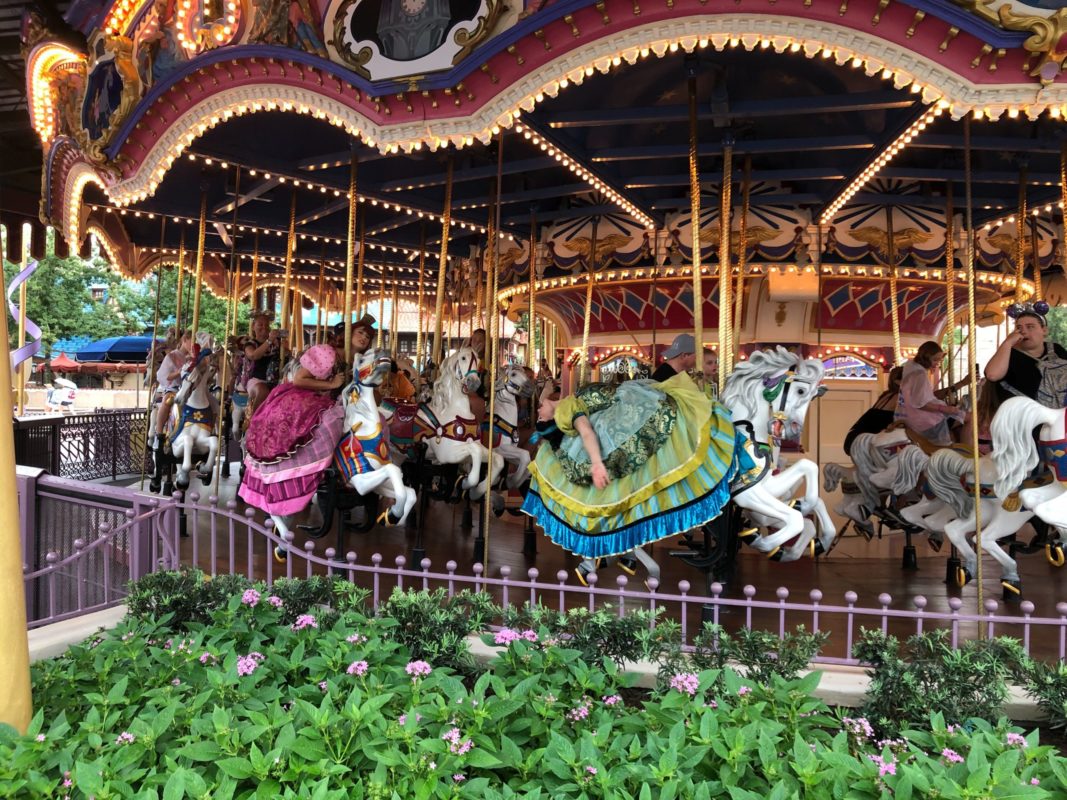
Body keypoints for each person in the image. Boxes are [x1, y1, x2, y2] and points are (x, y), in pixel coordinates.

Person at [521, 368, 751, 584]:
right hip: (619, 411)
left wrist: (597, 463)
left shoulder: (563, 408)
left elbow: (587, 432)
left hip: (627, 413)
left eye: (539, 415)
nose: (538, 415)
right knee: (615, 494)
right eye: (540, 418)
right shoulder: (563, 406)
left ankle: (609, 556)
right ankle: (623, 553)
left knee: (608, 494)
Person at [238, 344, 347, 516]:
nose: (364, 338)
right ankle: (307, 472)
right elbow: (298, 379)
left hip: (317, 398)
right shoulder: (327, 353)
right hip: (301, 397)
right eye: (361, 333)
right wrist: (331, 383)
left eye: (367, 336)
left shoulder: (348, 360)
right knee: (326, 424)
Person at [985, 306, 1067, 408]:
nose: (1023, 331)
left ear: (1044, 330)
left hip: (1055, 414)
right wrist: (1008, 342)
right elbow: (992, 375)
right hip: (1022, 416)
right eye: (1019, 328)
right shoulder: (1009, 352)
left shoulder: (1056, 349)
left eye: (1030, 327)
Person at [895, 341, 964, 446]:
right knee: (969, 418)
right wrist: (945, 409)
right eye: (935, 359)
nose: (938, 363)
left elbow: (924, 397)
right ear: (926, 358)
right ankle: (969, 456)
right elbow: (921, 403)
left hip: (905, 417)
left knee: (956, 418)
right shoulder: (920, 375)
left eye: (939, 360)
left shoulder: (910, 370)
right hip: (922, 421)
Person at [842, 366, 903, 457]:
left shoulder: (885, 394)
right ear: (897, 381)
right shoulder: (899, 396)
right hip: (873, 432)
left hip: (860, 432)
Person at [153, 329, 192, 449]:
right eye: (192, 342)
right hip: (174, 388)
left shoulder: (192, 357)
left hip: (190, 389)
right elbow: (164, 376)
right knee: (167, 401)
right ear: (184, 340)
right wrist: (179, 372)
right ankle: (159, 433)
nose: (194, 345)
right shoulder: (172, 356)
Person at [245, 312, 282, 409]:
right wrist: (269, 340)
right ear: (253, 326)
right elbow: (253, 355)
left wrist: (284, 349)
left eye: (267, 325)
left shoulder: (276, 344)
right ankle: (255, 420)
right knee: (263, 390)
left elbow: (285, 358)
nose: (264, 327)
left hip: (275, 381)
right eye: (260, 324)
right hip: (256, 381)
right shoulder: (250, 344)